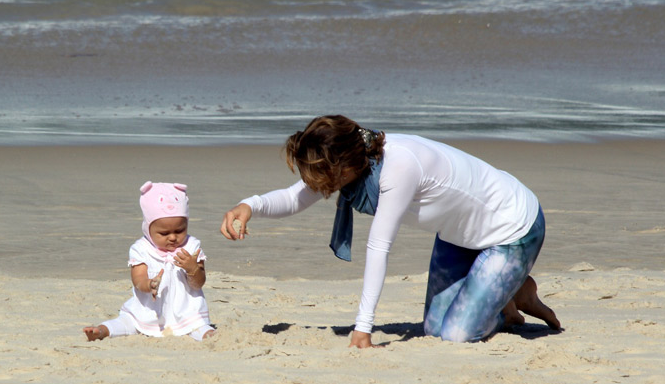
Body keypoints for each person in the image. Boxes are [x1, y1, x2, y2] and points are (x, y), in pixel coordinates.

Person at [221, 115, 560, 348]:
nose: (317, 186)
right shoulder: (359, 164)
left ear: (342, 164)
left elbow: (379, 247)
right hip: (461, 236)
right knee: (433, 329)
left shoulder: (398, 167)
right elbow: (296, 197)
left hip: (512, 228)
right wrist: (249, 205)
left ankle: (510, 292)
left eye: (322, 176)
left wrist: (363, 327)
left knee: (457, 335)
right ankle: (511, 294)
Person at [84, 181, 215, 342]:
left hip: (186, 311)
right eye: (164, 233)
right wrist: (149, 285)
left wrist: (193, 268)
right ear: (148, 229)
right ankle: (101, 331)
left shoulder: (192, 246)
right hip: (148, 310)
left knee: (198, 326)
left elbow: (198, 284)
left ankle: (209, 335)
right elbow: (138, 280)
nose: (173, 237)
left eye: (179, 230)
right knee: (127, 322)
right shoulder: (141, 249)